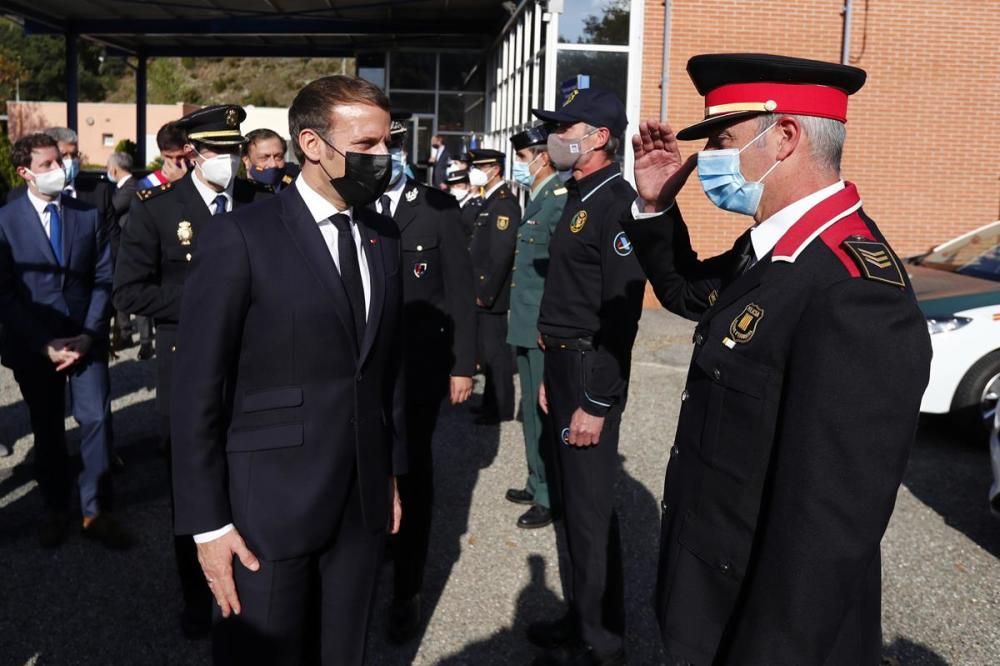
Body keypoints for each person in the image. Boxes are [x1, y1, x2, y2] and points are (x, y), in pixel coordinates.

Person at [623, 53, 932, 666]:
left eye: (723, 140)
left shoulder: (854, 288)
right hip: (711, 594)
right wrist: (656, 205)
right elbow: (690, 294)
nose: (708, 158)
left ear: (785, 137)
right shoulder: (776, 248)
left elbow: (826, 529)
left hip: (759, 625)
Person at [170, 76, 405, 666]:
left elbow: (382, 371)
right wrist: (207, 525)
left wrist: (389, 472)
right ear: (314, 144)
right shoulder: (241, 236)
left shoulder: (383, 234)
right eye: (368, 144)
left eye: (387, 142)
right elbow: (197, 388)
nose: (384, 157)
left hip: (359, 505)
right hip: (266, 512)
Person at [112, 104, 268, 640]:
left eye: (234, 150)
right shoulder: (156, 209)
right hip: (188, 365)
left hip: (254, 365)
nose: (230, 160)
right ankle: (195, 594)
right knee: (191, 480)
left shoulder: (259, 201)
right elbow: (129, 290)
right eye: (219, 152)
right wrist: (207, 300)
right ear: (194, 154)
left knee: (252, 471)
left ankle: (252, 574)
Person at [526, 88, 646, 666]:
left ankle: (604, 639)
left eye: (564, 126)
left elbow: (619, 316)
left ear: (599, 136)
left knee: (592, 510)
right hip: (563, 363)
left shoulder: (616, 202)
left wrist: (595, 401)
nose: (555, 136)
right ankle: (581, 618)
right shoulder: (579, 192)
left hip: (590, 366)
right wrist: (552, 373)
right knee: (573, 504)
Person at [0, 133, 131, 549]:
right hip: (35, 345)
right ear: (24, 173)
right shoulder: (5, 221)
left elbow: (104, 278)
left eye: (60, 161)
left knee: (95, 421)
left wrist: (90, 334)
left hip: (85, 338)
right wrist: (44, 344)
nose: (59, 170)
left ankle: (95, 511)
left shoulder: (85, 214)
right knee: (48, 430)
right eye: (47, 165)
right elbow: (6, 293)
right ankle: (55, 508)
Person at [374, 114, 476, 643]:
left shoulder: (437, 209)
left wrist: (463, 364)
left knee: (412, 473)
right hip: (366, 372)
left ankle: (407, 589)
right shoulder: (355, 206)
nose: (381, 155)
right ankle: (373, 555)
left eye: (389, 146)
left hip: (418, 370)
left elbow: (459, 290)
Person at [505, 124, 566, 530]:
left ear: (542, 157)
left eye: (524, 158)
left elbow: (560, 274)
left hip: (540, 327)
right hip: (524, 324)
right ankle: (535, 479)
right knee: (529, 411)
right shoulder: (538, 197)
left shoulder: (558, 201)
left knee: (542, 413)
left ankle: (548, 493)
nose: (520, 165)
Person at [468, 148, 520, 425]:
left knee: (496, 355)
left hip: (491, 294)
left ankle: (500, 407)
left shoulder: (504, 203)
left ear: (495, 169)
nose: (475, 171)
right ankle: (491, 404)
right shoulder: (489, 200)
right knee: (488, 354)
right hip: (482, 292)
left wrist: (484, 294)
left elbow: (501, 253)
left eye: (481, 166)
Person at [106, 151, 148, 354]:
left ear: (113, 169)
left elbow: (110, 210)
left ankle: (143, 338)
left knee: (135, 291)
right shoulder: (125, 187)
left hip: (131, 248)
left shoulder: (130, 188)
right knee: (121, 291)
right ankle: (125, 333)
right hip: (123, 247)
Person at [241, 127, 300, 193]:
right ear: (246, 160)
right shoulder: (236, 196)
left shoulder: (297, 187)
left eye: (278, 157)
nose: (273, 165)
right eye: (264, 158)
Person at [137, 122, 192, 189]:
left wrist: (184, 182)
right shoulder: (148, 184)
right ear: (161, 154)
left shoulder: (200, 178)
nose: (174, 162)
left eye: (180, 157)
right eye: (168, 157)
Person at [445, 168, 482, 245]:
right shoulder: (452, 204)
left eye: (459, 186)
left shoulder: (475, 207)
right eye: (452, 186)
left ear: (469, 186)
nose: (455, 189)